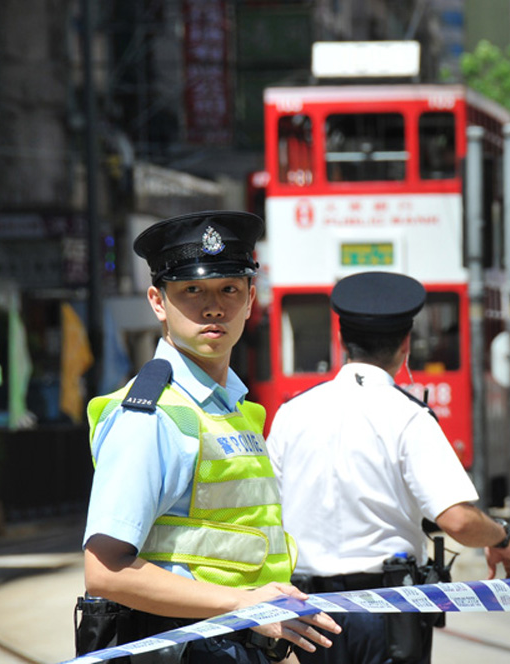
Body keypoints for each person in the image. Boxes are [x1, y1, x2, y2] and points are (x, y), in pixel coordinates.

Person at [80, 211, 339, 664]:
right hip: (182, 647)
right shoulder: (152, 415)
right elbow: (105, 572)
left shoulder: (233, 408)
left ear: (251, 298)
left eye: (229, 290)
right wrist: (242, 605)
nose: (213, 307)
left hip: (234, 646)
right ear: (158, 302)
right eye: (192, 291)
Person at [266, 271, 510, 664]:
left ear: (341, 339)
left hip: (306, 614)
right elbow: (456, 519)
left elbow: (266, 514)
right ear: (406, 344)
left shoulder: (290, 414)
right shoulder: (409, 417)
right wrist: (500, 537)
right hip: (386, 614)